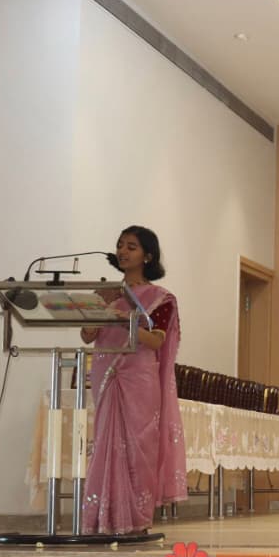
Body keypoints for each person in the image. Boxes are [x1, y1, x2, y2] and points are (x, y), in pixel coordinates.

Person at [79, 226, 185, 535]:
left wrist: (123, 320)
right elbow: (87, 336)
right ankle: (103, 519)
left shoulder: (161, 298)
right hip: (106, 374)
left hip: (139, 378)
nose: (123, 251)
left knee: (140, 447)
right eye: (120, 245)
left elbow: (155, 341)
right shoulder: (105, 294)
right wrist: (99, 308)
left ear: (147, 256)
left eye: (132, 246)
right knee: (106, 443)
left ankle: (136, 521)